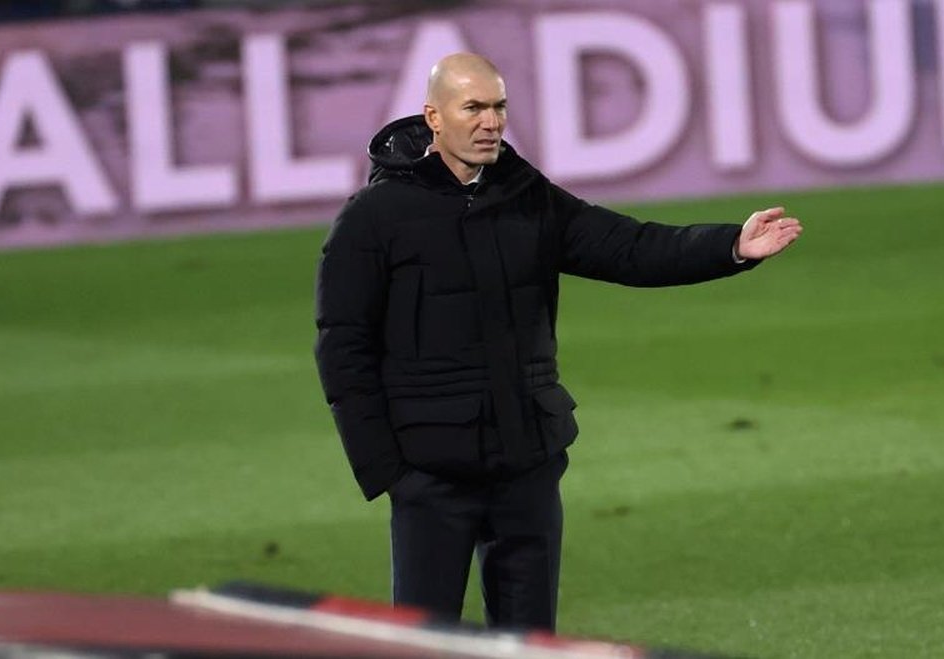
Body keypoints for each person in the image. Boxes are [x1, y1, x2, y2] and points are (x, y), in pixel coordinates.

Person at [314, 53, 801, 632]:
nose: (490, 121)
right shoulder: (374, 217)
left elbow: (629, 246)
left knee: (532, 643)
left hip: (527, 462)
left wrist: (731, 247)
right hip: (430, 472)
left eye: (498, 107)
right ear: (434, 118)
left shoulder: (526, 195)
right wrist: (388, 471)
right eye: (473, 107)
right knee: (422, 643)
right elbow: (343, 347)